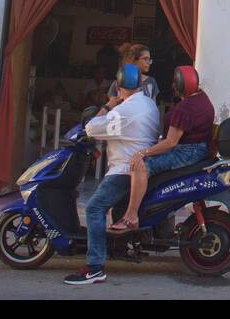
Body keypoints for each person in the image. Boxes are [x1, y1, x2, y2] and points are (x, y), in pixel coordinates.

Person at [64, 63, 160, 286]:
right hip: (137, 167)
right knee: (111, 207)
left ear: (117, 86)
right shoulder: (147, 103)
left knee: (94, 208)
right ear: (139, 84)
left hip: (125, 170)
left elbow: (92, 128)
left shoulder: (123, 110)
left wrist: (108, 106)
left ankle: (94, 267)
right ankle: (118, 248)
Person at [109, 65, 214, 233]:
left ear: (181, 86)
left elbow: (171, 142)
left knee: (140, 165)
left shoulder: (186, 108)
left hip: (186, 152)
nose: (172, 86)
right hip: (197, 148)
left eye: (175, 83)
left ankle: (131, 216)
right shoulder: (201, 98)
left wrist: (142, 153)